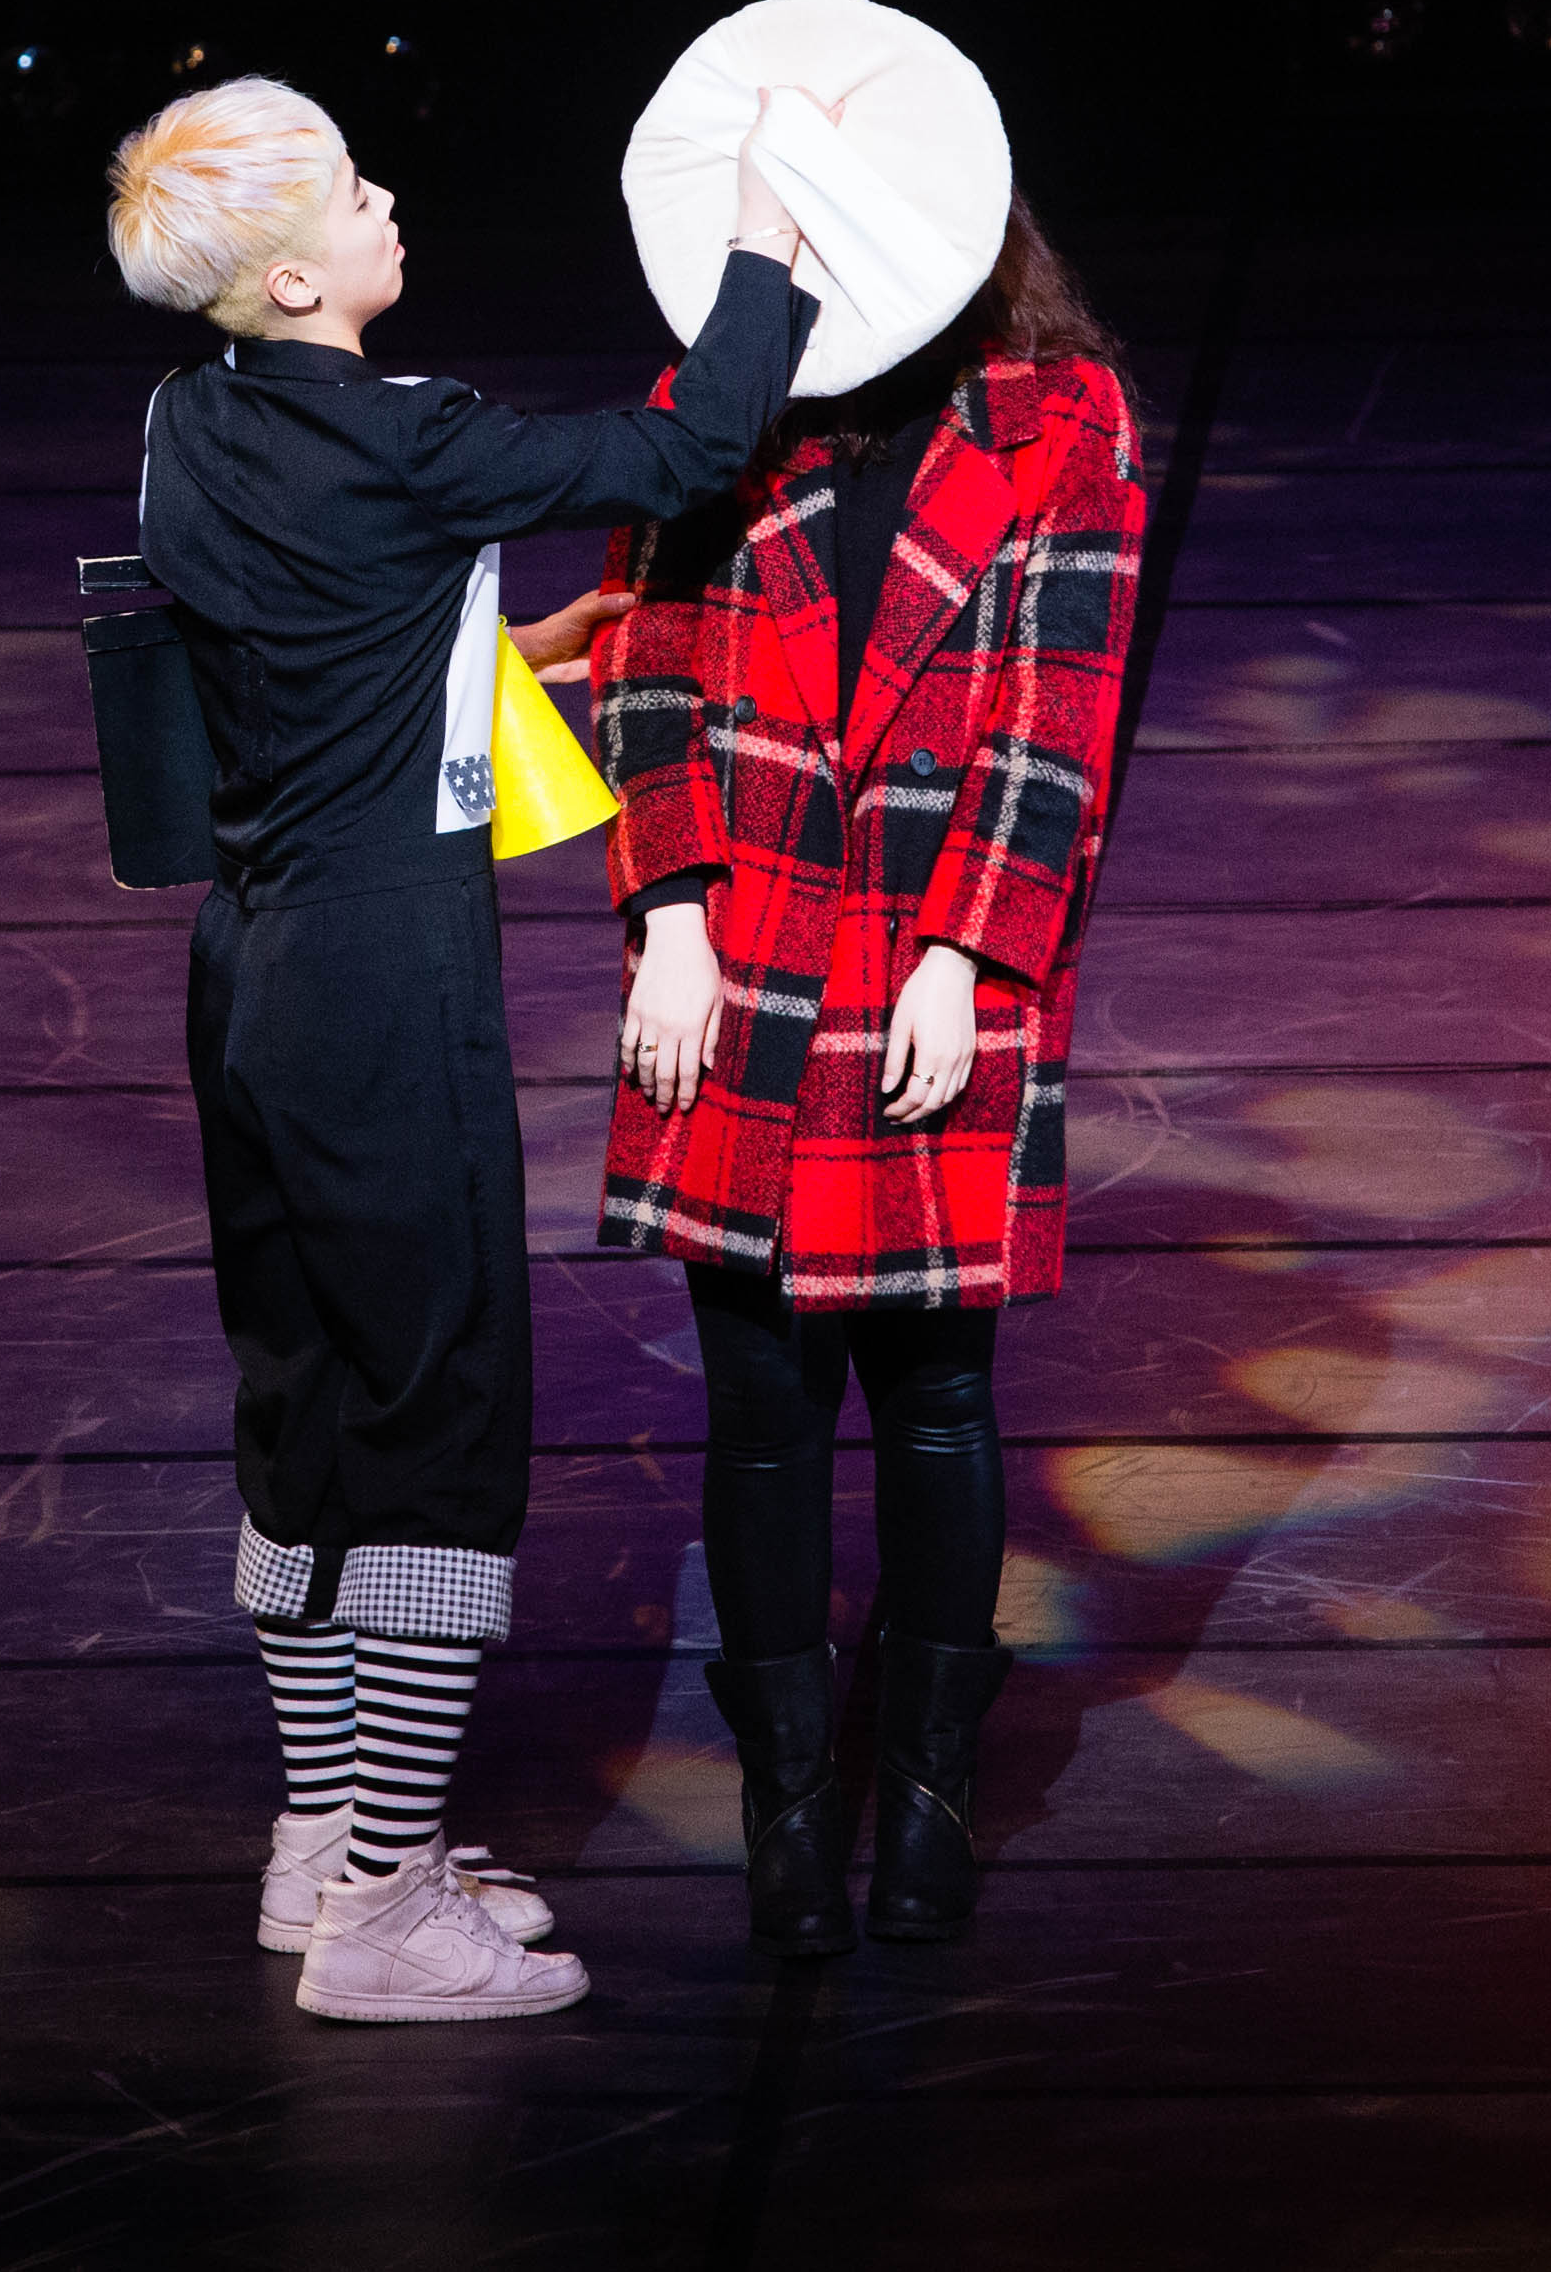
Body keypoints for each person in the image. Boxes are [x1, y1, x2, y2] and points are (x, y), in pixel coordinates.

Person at [105, 73, 819, 2019]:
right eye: (352, 190)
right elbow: (694, 444)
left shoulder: (184, 426)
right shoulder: (414, 436)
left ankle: (321, 1844)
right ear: (291, 274)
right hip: (382, 976)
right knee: (434, 1417)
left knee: (305, 1401)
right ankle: (388, 1903)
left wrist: (523, 637)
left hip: (250, 966)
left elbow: (329, 623)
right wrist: (761, 242)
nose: (385, 200)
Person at [591, 190, 1145, 1952]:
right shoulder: (721, 401)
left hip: (932, 946)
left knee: (937, 1392)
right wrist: (667, 908)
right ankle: (786, 1802)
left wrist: (971, 956)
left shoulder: (1063, 419)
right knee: (760, 1406)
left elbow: (1058, 716)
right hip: (746, 953)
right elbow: (645, 657)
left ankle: (923, 1789)